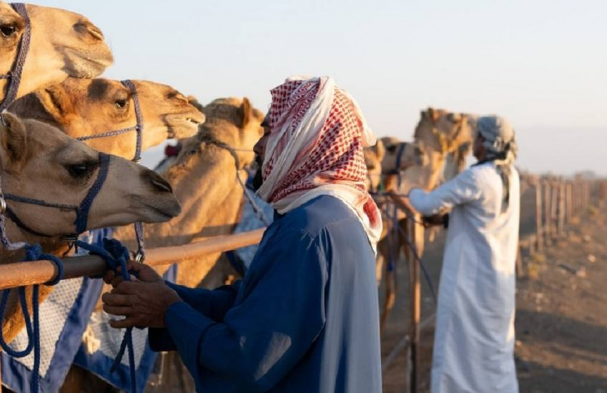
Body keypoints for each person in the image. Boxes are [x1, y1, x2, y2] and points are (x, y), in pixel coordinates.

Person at [101, 76, 383, 392]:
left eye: (269, 133)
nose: (257, 146)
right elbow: (258, 305)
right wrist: (167, 294)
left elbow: (247, 359)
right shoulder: (337, 218)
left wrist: (168, 311)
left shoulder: (306, 231)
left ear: (303, 141)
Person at [405, 115, 520, 393]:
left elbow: (428, 203)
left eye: (478, 137)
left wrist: (409, 191)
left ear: (488, 141)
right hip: (498, 286)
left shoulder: (478, 177)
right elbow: (483, 217)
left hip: (470, 285)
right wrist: (448, 221)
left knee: (458, 350)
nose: (474, 143)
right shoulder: (510, 175)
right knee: (494, 352)